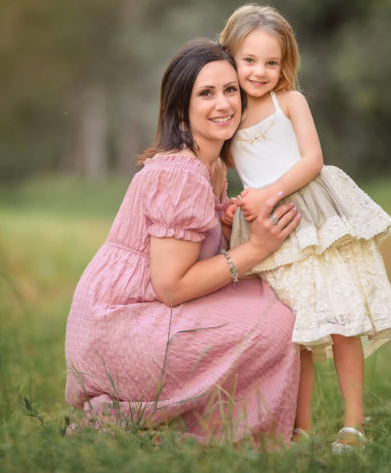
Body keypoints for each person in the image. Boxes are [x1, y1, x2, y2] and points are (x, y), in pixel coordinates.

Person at [64, 39, 302, 447]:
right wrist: (256, 249)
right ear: (180, 109)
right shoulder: (183, 171)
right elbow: (171, 287)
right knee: (275, 321)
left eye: (230, 90)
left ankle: (206, 426)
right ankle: (216, 434)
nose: (223, 104)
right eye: (206, 93)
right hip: (121, 326)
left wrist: (226, 227)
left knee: (265, 297)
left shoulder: (211, 167)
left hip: (131, 318)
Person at [218, 4, 391, 454]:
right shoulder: (228, 114)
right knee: (295, 332)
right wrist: (232, 208)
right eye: (249, 60)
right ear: (230, 57)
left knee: (342, 320)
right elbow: (232, 175)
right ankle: (299, 428)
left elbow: (312, 160)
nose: (260, 71)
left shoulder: (289, 102)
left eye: (271, 62)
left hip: (313, 218)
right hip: (271, 229)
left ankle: (353, 425)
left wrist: (270, 193)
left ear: (285, 64)